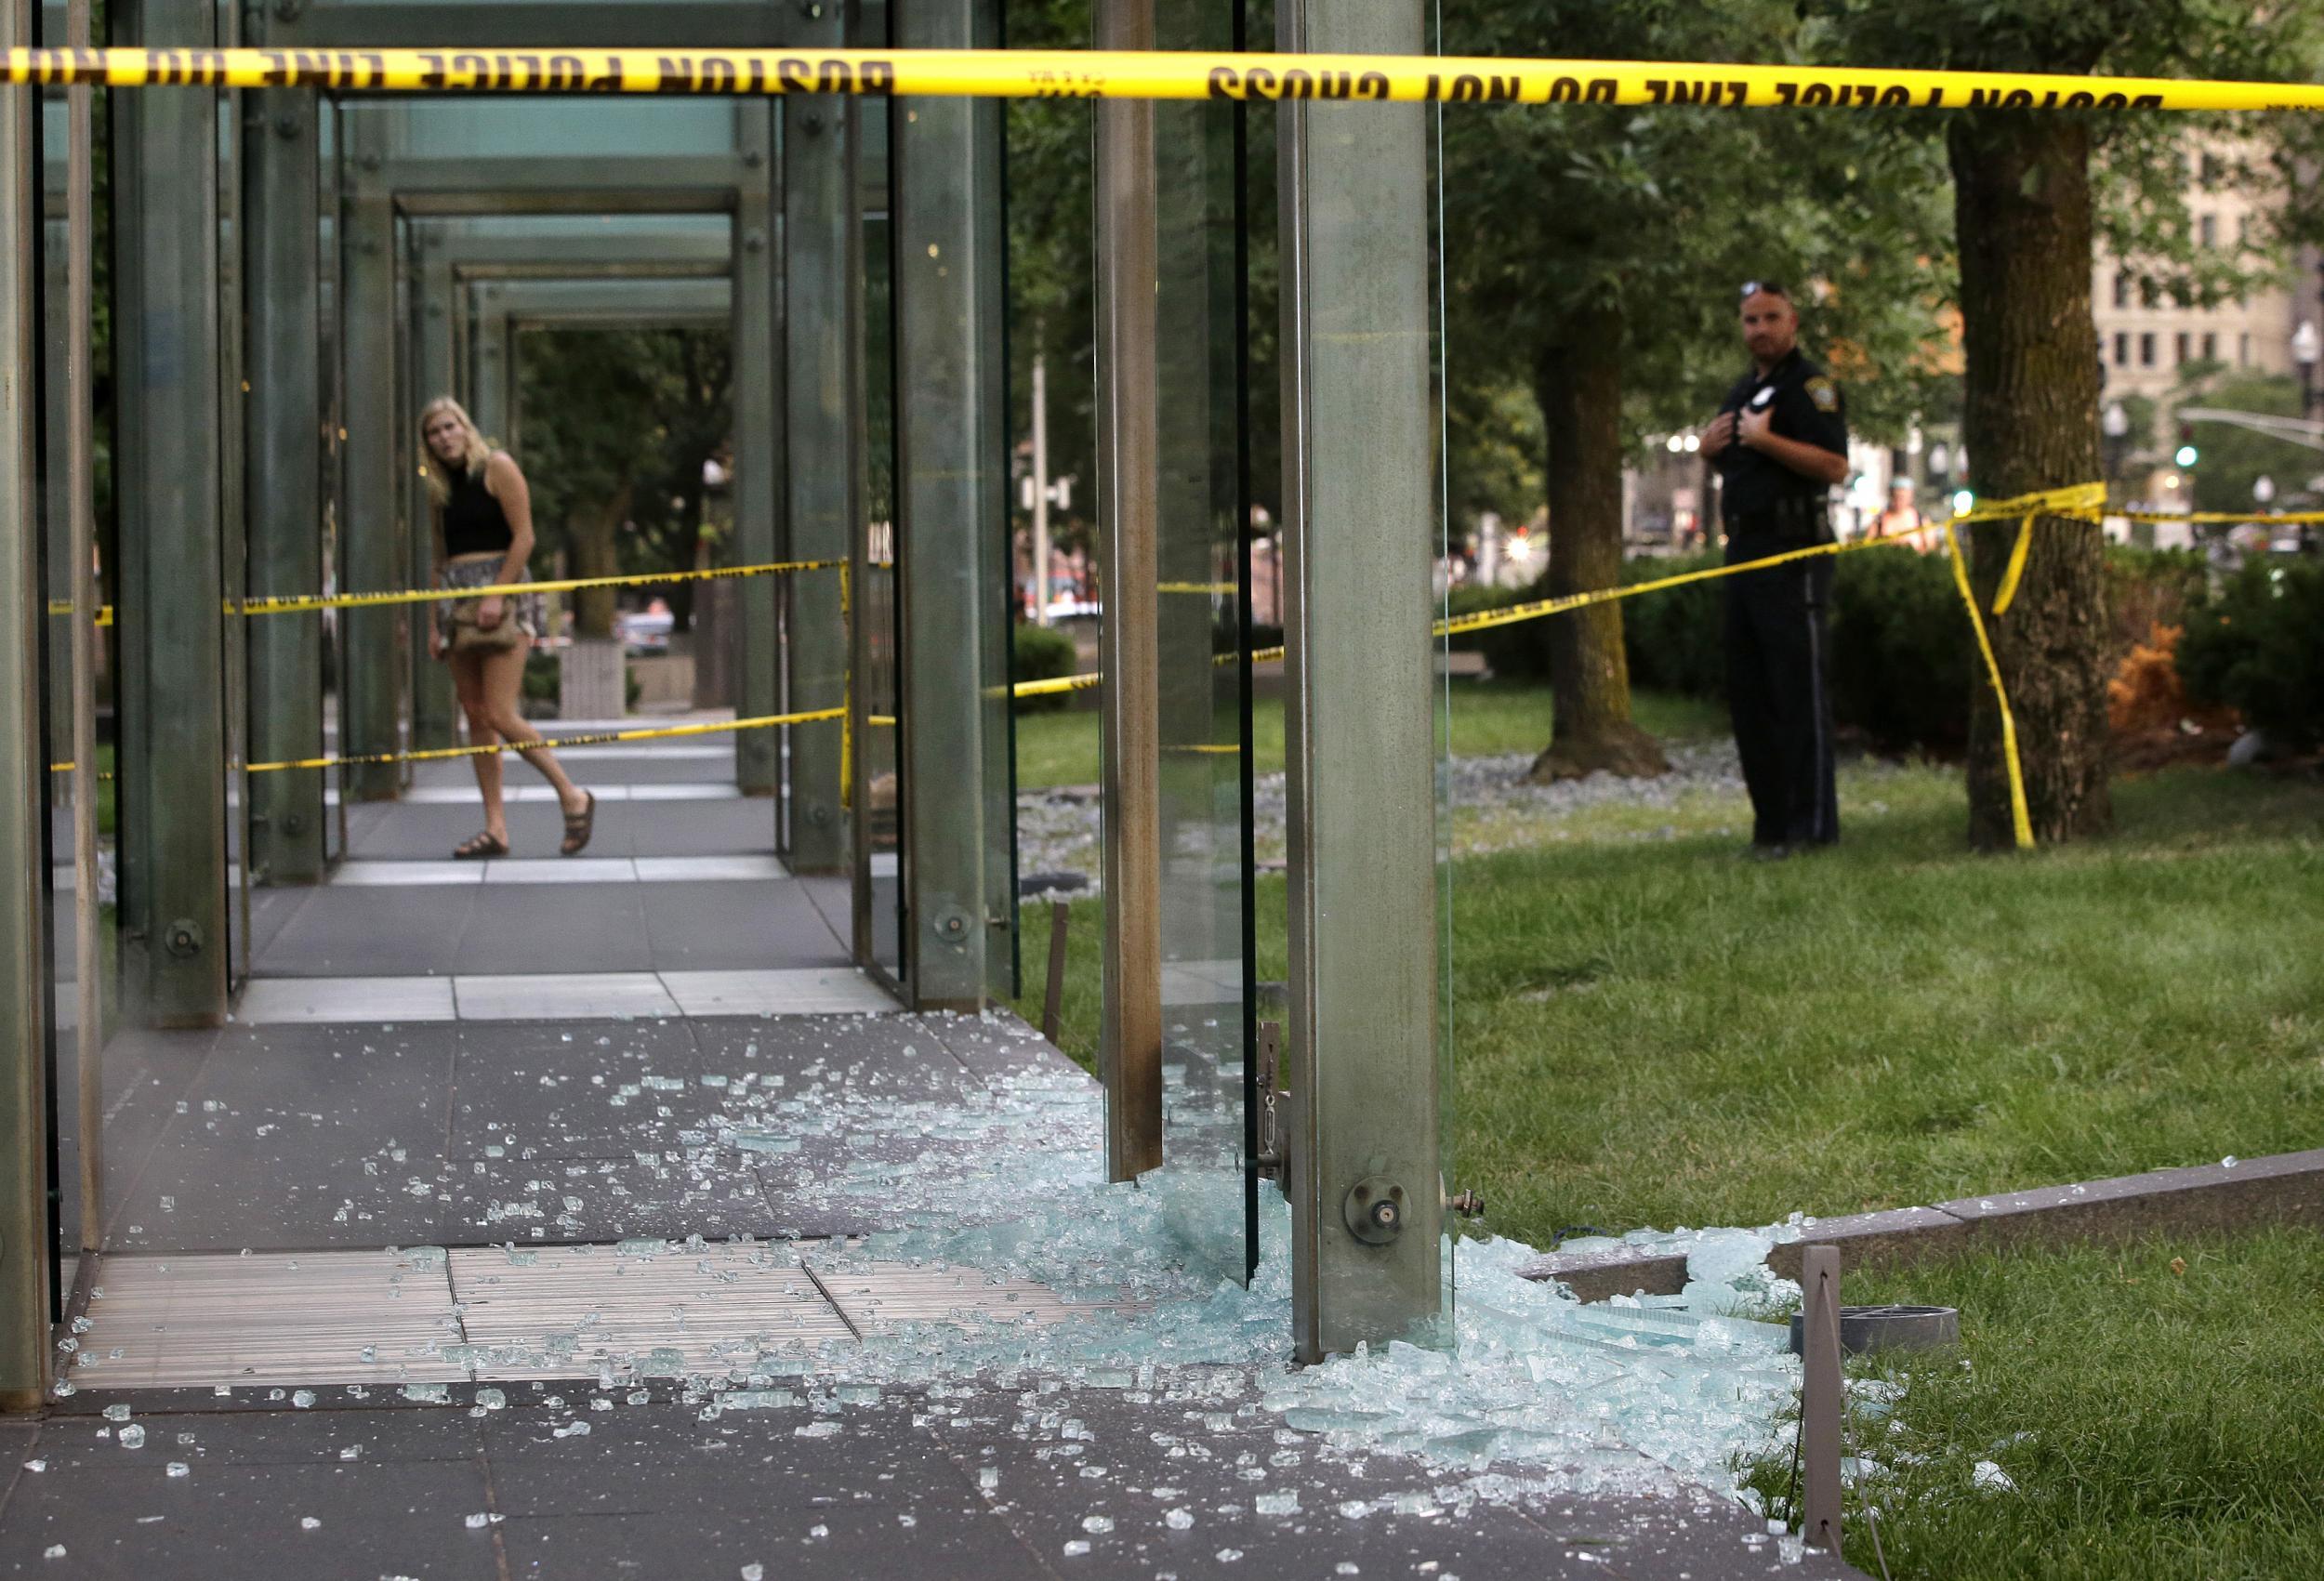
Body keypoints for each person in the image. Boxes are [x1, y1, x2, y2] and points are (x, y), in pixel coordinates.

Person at [1697, 282, 1849, 858]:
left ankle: (1812, 829)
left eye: (1769, 318)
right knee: (1750, 692)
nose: (1758, 329)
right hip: (1745, 551)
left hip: (1795, 554)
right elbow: (1733, 469)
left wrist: (1767, 440)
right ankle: (1772, 829)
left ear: (1793, 322)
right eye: (1749, 320)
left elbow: (1834, 466)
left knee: (1798, 691)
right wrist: (1710, 452)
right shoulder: (1741, 391)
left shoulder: (1810, 388)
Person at [419, 395, 596, 859]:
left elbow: (525, 537)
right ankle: (495, 828)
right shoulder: (437, 489)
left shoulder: (496, 467)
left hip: (504, 594)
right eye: (434, 432)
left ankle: (571, 793)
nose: (444, 437)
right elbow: (439, 560)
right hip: (456, 602)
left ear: (465, 427)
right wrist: (432, 623)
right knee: (475, 714)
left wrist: (497, 593)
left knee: (499, 712)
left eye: (449, 426)